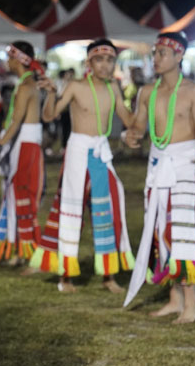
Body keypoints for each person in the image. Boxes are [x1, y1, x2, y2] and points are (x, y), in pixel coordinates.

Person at [30, 38, 135, 293]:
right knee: (70, 212)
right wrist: (51, 93)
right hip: (78, 153)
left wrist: (146, 105)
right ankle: (65, 277)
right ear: (89, 62)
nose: (106, 65)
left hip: (101, 155)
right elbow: (49, 116)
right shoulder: (76, 86)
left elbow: (130, 119)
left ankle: (108, 276)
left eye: (110, 60)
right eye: (100, 59)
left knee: (105, 213)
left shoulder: (114, 88)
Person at [124, 32, 195, 324]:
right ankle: (174, 298)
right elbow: (139, 123)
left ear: (179, 56)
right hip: (158, 164)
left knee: (183, 230)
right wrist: (133, 134)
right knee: (160, 229)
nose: (156, 58)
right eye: (155, 53)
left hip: (185, 163)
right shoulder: (147, 91)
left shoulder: (193, 91)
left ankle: (192, 302)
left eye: (162, 53)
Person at [0, 41, 44, 267]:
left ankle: (30, 256)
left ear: (18, 60)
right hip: (21, 145)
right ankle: (19, 252)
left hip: (26, 147)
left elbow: (16, 121)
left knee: (24, 199)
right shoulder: (25, 85)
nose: (7, 61)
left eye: (9, 57)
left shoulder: (26, 87)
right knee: (17, 199)